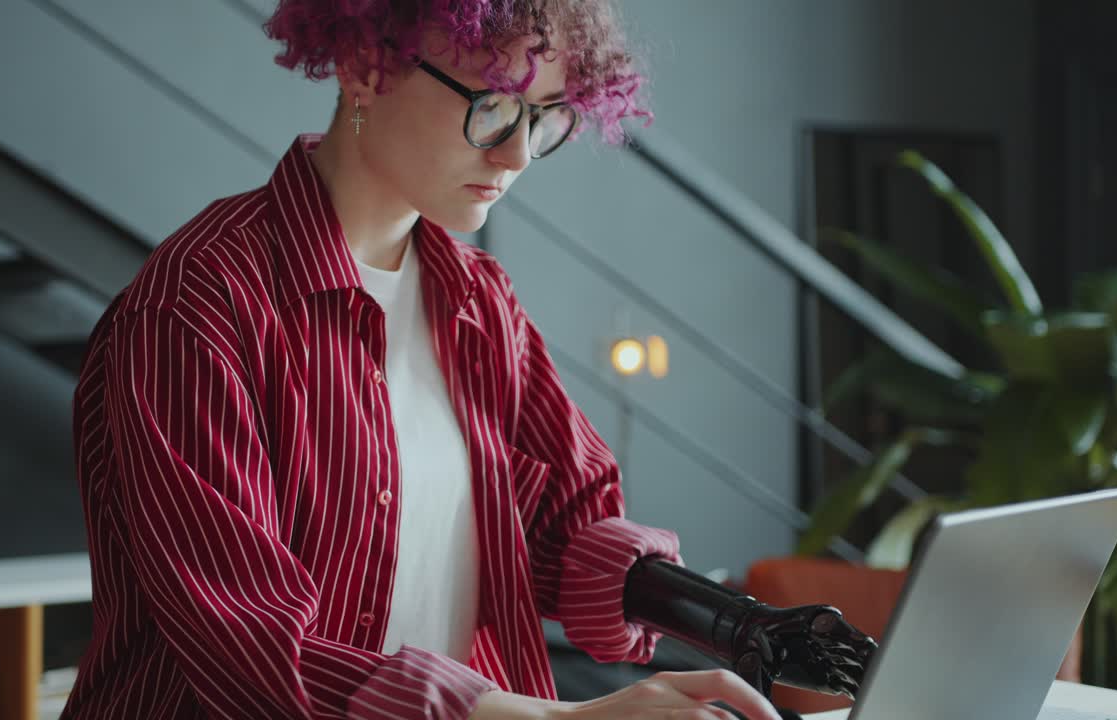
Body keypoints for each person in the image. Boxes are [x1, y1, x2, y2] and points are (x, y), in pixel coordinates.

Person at [61, 1, 782, 719]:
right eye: (492, 106)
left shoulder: (480, 301)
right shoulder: (198, 302)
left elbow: (565, 530)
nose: (517, 155)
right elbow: (249, 646)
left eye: (544, 116)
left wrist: (748, 627)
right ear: (364, 67)